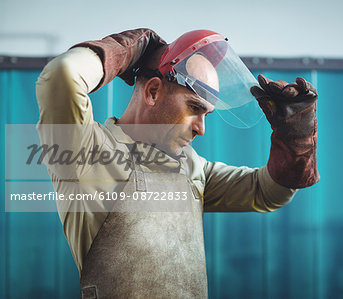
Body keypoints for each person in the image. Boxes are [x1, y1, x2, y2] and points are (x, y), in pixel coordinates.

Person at [36, 28, 319, 298]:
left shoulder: (190, 166)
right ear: (153, 92)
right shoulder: (86, 150)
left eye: (207, 114)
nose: (201, 128)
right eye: (194, 108)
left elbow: (266, 192)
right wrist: (126, 52)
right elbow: (62, 77)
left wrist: (296, 138)